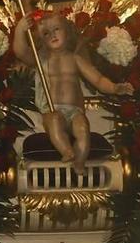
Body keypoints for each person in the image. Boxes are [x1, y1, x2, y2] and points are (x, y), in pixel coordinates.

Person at [16, 13, 131, 170]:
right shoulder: (41, 59)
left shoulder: (75, 59)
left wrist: (114, 87)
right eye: (46, 33)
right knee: (54, 122)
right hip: (52, 109)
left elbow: (97, 79)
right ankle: (67, 151)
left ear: (67, 31)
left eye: (56, 29)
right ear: (41, 39)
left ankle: (80, 161)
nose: (52, 35)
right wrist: (20, 30)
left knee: (83, 128)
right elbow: (21, 51)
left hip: (75, 111)